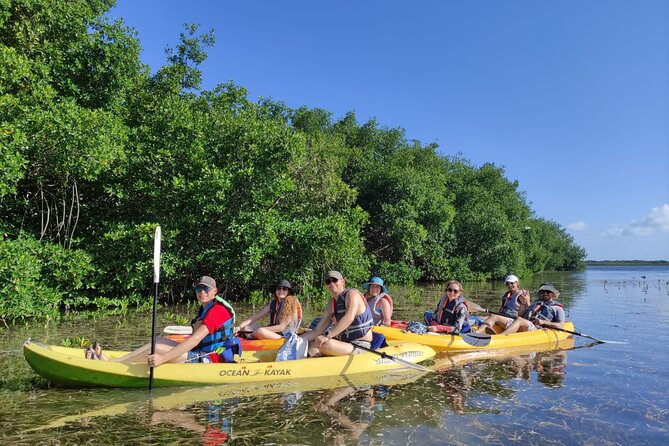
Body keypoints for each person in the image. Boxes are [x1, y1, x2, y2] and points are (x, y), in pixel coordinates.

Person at [85, 276, 238, 365]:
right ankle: (115, 361)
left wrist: (163, 359)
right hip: (200, 352)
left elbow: (195, 340)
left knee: (157, 349)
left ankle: (113, 365)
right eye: (199, 289)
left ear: (214, 291)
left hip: (212, 358)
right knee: (158, 341)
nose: (201, 292)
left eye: (205, 289)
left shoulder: (218, 310)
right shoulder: (205, 308)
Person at [300, 270, 373, 356]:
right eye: (328, 281)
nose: (331, 283)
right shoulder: (331, 304)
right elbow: (317, 330)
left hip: (360, 345)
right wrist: (297, 339)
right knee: (311, 343)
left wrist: (328, 335)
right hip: (343, 344)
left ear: (342, 282)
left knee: (325, 344)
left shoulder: (352, 294)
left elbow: (349, 318)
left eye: (334, 280)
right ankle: (317, 363)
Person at [235, 279, 302, 339]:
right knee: (247, 326)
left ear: (288, 292)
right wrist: (239, 327)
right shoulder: (274, 303)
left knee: (260, 331)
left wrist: (261, 330)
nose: (281, 291)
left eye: (284, 289)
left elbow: (281, 327)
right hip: (274, 333)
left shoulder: (290, 302)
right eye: (279, 288)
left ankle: (252, 337)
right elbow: (254, 317)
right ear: (275, 291)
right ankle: (251, 337)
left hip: (285, 336)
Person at [500, 282, 565, 334]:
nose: (545, 293)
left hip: (538, 329)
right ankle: (491, 336)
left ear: (552, 294)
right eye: (542, 292)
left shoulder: (557, 308)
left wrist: (543, 322)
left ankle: (500, 338)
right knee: (494, 316)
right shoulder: (536, 304)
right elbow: (521, 315)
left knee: (519, 320)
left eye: (547, 292)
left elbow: (561, 325)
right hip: (527, 324)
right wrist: (523, 303)